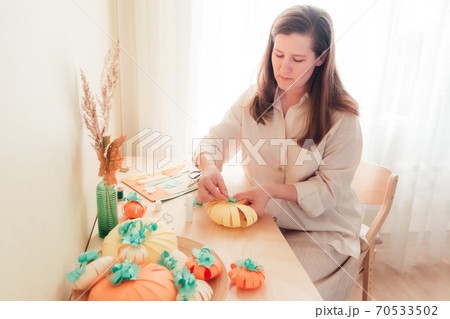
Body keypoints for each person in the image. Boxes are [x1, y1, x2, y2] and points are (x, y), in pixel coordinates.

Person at [192, 5, 363, 301]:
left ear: (321, 58)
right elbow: (212, 143)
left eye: (298, 59)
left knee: (272, 292)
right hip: (267, 221)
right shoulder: (254, 98)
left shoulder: (342, 117)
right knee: (223, 277)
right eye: (278, 54)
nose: (284, 68)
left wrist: (270, 191)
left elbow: (329, 190)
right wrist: (208, 168)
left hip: (323, 232)